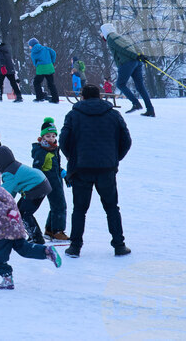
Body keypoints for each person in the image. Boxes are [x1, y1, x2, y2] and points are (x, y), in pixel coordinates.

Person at [59, 84, 132, 258]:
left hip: (81, 169)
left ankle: (75, 246)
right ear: (100, 97)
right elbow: (126, 140)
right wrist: (114, 158)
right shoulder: (114, 115)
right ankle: (119, 245)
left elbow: (63, 140)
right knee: (112, 208)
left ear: (82, 97)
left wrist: (72, 157)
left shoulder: (73, 115)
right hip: (106, 169)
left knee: (79, 209)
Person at [0, 163, 62, 290]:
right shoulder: (1, 191)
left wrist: (7, 213)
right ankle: (46, 252)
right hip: (14, 227)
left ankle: (7, 279)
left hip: (3, 233)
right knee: (24, 249)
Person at [0, 145, 51, 245]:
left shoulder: (10, 173)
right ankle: (34, 236)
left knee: (24, 214)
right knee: (19, 211)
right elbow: (12, 191)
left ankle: (37, 239)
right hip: (40, 184)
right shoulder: (14, 166)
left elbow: (4, 192)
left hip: (36, 188)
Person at [100, 23, 155, 117]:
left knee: (120, 84)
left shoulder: (110, 38)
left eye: (102, 32)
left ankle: (136, 103)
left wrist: (135, 56)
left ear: (105, 31)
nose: (102, 34)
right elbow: (133, 46)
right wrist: (140, 56)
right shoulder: (119, 36)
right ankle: (150, 109)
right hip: (136, 62)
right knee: (140, 86)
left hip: (127, 62)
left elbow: (122, 49)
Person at [32, 119, 68, 241]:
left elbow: (53, 164)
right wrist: (39, 182)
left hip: (57, 181)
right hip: (49, 183)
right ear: (42, 137)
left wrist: (62, 171)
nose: (51, 138)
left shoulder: (53, 149)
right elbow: (36, 168)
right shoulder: (42, 151)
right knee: (60, 206)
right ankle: (58, 231)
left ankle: (49, 230)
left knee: (56, 205)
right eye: (47, 136)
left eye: (53, 136)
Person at [0, 36, 23, 102]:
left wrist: (2, 67)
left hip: (4, 69)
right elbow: (7, 60)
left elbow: (1, 59)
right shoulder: (5, 48)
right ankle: (19, 96)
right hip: (10, 68)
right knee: (13, 83)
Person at [27, 38, 59, 103]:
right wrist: (52, 61)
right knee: (51, 84)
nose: (29, 47)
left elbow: (34, 62)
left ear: (32, 45)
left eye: (29, 45)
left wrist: (37, 65)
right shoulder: (45, 48)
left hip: (41, 68)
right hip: (49, 67)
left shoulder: (33, 52)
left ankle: (39, 97)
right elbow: (54, 53)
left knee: (36, 82)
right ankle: (55, 99)